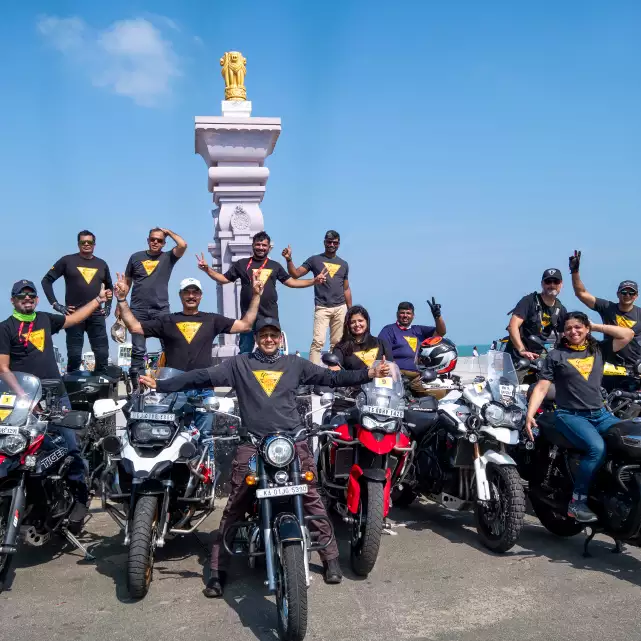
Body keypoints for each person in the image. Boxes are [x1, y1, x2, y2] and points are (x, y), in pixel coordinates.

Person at [139, 316, 390, 597]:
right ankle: (218, 571)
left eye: (273, 335)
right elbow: (202, 376)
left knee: (311, 499)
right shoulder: (239, 364)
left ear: (280, 338)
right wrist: (161, 386)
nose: (268, 339)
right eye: (263, 335)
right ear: (256, 337)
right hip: (253, 443)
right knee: (235, 504)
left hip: (292, 441)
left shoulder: (295, 364)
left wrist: (366, 375)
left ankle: (330, 558)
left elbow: (332, 378)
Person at [0, 279, 111, 530]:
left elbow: (73, 319)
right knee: (16, 452)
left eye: (31, 296)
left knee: (69, 446)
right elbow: (3, 368)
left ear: (36, 299)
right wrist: (25, 398)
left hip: (55, 394)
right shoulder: (5, 328)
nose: (27, 299)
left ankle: (80, 498)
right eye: (21, 296)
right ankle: (30, 503)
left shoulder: (44, 319)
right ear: (13, 300)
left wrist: (97, 300)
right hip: (23, 397)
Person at [114, 272, 263, 437]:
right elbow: (135, 327)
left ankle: (207, 464)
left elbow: (246, 325)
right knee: (170, 434)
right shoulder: (167, 321)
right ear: (180, 295)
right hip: (174, 390)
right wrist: (121, 299)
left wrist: (256, 296)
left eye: (195, 292)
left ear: (200, 296)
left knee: (206, 438)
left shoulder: (212, 320)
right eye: (187, 292)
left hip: (204, 389)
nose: (191, 296)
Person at [526, 312, 634, 522]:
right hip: (569, 415)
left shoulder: (598, 350)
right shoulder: (556, 356)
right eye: (568, 328)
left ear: (586, 329)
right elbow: (541, 388)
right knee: (597, 449)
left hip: (601, 414)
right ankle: (577, 502)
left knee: (629, 441)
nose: (573, 331)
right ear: (563, 333)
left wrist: (595, 326)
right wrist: (530, 415)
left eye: (578, 327)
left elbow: (627, 334)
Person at [197, 231, 326, 354]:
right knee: (245, 352)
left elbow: (291, 282)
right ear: (253, 246)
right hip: (248, 318)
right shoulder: (242, 264)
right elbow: (223, 279)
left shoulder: (275, 265)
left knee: (271, 351)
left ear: (269, 248)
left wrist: (313, 281)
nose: (261, 247)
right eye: (258, 244)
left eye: (264, 245)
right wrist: (207, 269)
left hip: (269, 315)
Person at [41, 230, 114, 374]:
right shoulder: (67, 261)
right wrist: (56, 305)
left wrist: (109, 307)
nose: (86, 244)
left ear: (94, 244)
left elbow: (109, 288)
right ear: (78, 244)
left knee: (102, 354)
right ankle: (71, 388)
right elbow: (46, 281)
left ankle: (102, 386)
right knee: (74, 355)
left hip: (96, 315)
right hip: (74, 315)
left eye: (90, 242)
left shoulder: (102, 264)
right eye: (83, 242)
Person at [121, 227, 187, 384]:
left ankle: (169, 382)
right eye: (152, 239)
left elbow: (183, 245)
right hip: (137, 310)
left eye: (159, 240)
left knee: (169, 346)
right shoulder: (135, 257)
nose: (155, 242)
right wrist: (120, 304)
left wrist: (169, 232)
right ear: (147, 240)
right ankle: (138, 386)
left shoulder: (168, 257)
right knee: (138, 350)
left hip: (161, 310)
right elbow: (127, 281)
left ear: (164, 243)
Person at [282, 230, 352, 364]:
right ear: (324, 242)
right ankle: (313, 372)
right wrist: (289, 259)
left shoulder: (344, 264)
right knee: (318, 342)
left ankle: (335, 372)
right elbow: (295, 274)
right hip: (322, 307)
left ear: (338, 244)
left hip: (340, 307)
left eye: (334, 242)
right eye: (329, 242)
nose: (331, 244)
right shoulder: (314, 260)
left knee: (337, 343)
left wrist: (350, 310)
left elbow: (346, 288)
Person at [570, 250, 641, 381]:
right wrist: (575, 272)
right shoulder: (608, 307)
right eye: (624, 292)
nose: (627, 295)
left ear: (636, 296)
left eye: (631, 293)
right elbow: (581, 294)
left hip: (635, 368)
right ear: (618, 294)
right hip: (609, 366)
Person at [506, 268, 567, 382]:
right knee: (512, 388)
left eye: (556, 282)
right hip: (519, 356)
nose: (552, 285)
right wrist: (522, 350)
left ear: (561, 285)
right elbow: (512, 326)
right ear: (542, 284)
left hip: (539, 356)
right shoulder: (529, 301)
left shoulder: (560, 309)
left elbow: (565, 335)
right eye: (548, 281)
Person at [378, 298, 446, 396]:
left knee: (438, 395)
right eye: (402, 313)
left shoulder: (419, 330)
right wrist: (396, 374)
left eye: (408, 313)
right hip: (396, 376)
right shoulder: (389, 330)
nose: (405, 316)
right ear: (397, 314)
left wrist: (437, 316)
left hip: (418, 377)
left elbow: (441, 332)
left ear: (413, 316)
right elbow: (384, 352)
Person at [331, 305, 393, 371]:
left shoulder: (381, 344)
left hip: (379, 381)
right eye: (353, 322)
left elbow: (392, 369)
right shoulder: (340, 347)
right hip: (352, 381)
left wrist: (387, 368)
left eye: (360, 321)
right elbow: (335, 373)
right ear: (348, 325)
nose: (357, 324)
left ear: (367, 322)